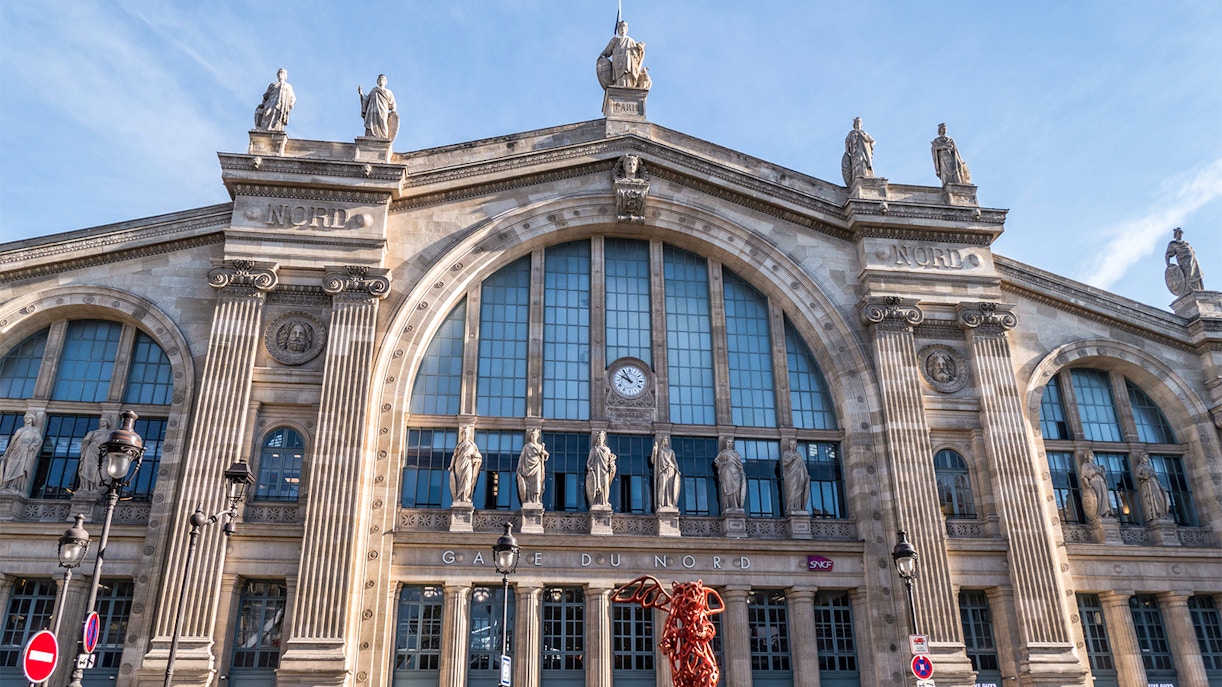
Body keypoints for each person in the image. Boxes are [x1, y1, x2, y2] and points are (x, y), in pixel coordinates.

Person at [597, 21, 650, 90]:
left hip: (629, 63)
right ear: (618, 30)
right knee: (619, 78)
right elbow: (606, 51)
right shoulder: (615, 40)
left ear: (626, 29)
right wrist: (601, 58)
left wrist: (640, 49)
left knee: (627, 76)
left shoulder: (631, 40)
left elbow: (637, 54)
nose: (622, 29)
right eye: (620, 28)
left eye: (624, 27)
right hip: (618, 63)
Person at [1, 413, 42, 493]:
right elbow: (12, 442)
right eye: (26, 418)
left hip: (25, 451)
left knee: (20, 467)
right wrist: (7, 453)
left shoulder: (34, 431)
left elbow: (39, 440)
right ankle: (6, 485)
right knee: (10, 466)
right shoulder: (20, 430)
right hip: (16, 449)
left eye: (29, 418)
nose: (27, 420)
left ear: (32, 420)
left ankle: (15, 486)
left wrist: (32, 445)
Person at [76, 416, 111, 495]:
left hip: (103, 452)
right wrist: (89, 436)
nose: (102, 423)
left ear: (107, 423)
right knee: (88, 468)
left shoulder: (110, 433)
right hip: (92, 450)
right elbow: (85, 441)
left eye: (104, 421)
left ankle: (95, 487)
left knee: (98, 469)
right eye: (101, 421)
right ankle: (86, 487)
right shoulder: (94, 432)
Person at [1164, 227, 1205, 294]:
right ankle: (1189, 289)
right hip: (1184, 263)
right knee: (1188, 276)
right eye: (1178, 233)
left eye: (1181, 233)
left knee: (1196, 276)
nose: (1180, 234)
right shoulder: (1173, 244)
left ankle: (1198, 288)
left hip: (1194, 262)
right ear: (1175, 235)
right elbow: (1168, 255)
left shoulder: (1186, 244)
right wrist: (1168, 265)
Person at [254, 68, 295, 132]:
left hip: (281, 105)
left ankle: (275, 129)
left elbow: (292, 97)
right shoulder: (273, 84)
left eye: (282, 73)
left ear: (285, 76)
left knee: (278, 117)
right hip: (271, 103)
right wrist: (263, 103)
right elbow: (266, 95)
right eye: (279, 73)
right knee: (267, 113)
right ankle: (265, 129)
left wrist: (291, 103)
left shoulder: (288, 86)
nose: (280, 74)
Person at [448, 425, 482, 503]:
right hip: (459, 464)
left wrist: (475, 458)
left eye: (467, 433)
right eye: (464, 433)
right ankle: (459, 497)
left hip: (468, 464)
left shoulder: (472, 445)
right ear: (462, 435)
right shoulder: (459, 445)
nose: (465, 435)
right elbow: (454, 456)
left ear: (469, 434)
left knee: (467, 479)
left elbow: (478, 456)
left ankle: (465, 497)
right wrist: (451, 466)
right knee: (459, 481)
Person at [358, 74, 397, 140]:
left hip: (383, 110)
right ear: (378, 81)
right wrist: (361, 94)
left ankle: (383, 137)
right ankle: (370, 136)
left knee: (383, 122)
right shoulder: (374, 90)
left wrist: (393, 110)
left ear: (385, 82)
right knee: (371, 123)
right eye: (380, 79)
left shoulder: (389, 92)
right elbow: (366, 99)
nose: (381, 80)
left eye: (383, 78)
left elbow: (393, 103)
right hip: (372, 110)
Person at [516, 428, 548, 505]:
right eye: (532, 435)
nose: (533, 437)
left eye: (535, 435)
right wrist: (519, 468)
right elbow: (522, 457)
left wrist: (544, 453)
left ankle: (536, 499)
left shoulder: (540, 447)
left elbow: (546, 455)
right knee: (528, 484)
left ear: (537, 437)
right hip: (527, 467)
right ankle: (529, 499)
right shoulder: (527, 446)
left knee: (537, 482)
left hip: (537, 466)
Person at [1135, 453, 1170, 523]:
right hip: (1147, 483)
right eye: (1145, 457)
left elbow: (1156, 477)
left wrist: (1160, 486)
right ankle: (1154, 514)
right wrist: (1144, 477)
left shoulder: (1150, 466)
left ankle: (1161, 514)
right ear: (1142, 458)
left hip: (1155, 483)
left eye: (1147, 457)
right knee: (1152, 499)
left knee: (1160, 499)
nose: (1147, 458)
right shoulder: (1140, 466)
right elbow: (1137, 475)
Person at [586, 430, 617, 508]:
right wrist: (590, 467)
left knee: (605, 486)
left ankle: (605, 502)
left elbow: (610, 462)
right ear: (597, 440)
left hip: (605, 471)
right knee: (597, 486)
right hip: (596, 471)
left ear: (604, 439)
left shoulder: (607, 450)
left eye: (601, 438)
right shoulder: (594, 450)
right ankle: (597, 502)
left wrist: (612, 465)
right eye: (599, 438)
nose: (600, 440)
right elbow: (589, 462)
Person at [1077, 450, 1111, 521]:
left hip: (1101, 482)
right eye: (1091, 455)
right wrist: (1088, 484)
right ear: (1087, 456)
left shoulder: (1096, 466)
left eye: (1093, 455)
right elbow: (1084, 476)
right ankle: (1099, 513)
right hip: (1094, 482)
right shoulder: (1085, 465)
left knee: (1104, 496)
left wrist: (1103, 471)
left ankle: (1106, 512)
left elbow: (1103, 475)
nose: (1093, 456)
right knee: (1098, 496)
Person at [714, 438, 746, 511]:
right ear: (726, 443)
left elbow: (740, 465)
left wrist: (742, 473)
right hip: (727, 473)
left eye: (731, 442)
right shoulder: (723, 453)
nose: (730, 444)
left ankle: (736, 506)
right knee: (728, 489)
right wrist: (722, 464)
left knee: (736, 491)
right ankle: (729, 506)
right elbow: (716, 461)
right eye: (728, 442)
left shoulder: (736, 454)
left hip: (736, 474)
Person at [841, 117, 875, 185]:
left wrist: (871, 146)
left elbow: (872, 141)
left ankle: (866, 176)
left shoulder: (864, 133)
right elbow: (847, 141)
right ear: (854, 124)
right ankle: (857, 177)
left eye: (859, 122)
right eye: (856, 123)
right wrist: (847, 149)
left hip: (865, 151)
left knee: (864, 162)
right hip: (856, 151)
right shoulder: (851, 133)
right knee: (858, 161)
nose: (858, 124)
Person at [781, 439, 810, 515]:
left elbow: (803, 467)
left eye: (794, 444)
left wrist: (806, 476)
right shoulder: (786, 454)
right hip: (791, 476)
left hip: (799, 476)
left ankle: (798, 508)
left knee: (799, 490)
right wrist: (791, 460)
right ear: (789, 445)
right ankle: (791, 507)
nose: (793, 446)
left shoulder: (799, 455)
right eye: (791, 444)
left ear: (796, 445)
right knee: (792, 491)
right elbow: (784, 464)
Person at [651, 435, 680, 510]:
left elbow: (674, 462)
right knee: (662, 487)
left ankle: (669, 503)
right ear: (662, 442)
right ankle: (661, 503)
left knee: (670, 487)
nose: (665, 442)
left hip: (670, 469)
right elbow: (652, 460)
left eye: (667, 440)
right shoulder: (659, 451)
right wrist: (654, 451)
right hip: (662, 471)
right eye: (664, 440)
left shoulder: (671, 452)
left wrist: (677, 470)